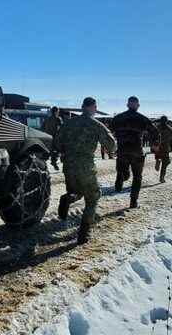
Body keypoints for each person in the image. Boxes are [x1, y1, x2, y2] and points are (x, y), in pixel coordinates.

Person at [56, 97, 117, 245]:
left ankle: (67, 199)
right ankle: (84, 233)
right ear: (93, 108)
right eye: (95, 108)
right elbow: (112, 146)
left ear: (82, 107)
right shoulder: (96, 124)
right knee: (93, 196)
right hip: (85, 167)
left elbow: (57, 143)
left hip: (68, 165)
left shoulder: (68, 123)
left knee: (76, 191)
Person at [110, 96, 158, 209]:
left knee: (122, 170)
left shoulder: (118, 118)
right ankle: (133, 201)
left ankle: (121, 178)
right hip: (136, 150)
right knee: (137, 177)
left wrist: (110, 147)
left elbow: (108, 133)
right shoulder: (142, 119)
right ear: (138, 106)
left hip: (122, 150)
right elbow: (155, 132)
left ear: (127, 105)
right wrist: (155, 145)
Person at [154, 115, 172, 184]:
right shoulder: (168, 128)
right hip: (165, 147)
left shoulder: (157, 127)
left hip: (157, 146)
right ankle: (162, 178)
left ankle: (158, 160)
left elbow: (152, 134)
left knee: (159, 156)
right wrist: (170, 139)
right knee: (165, 162)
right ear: (166, 121)